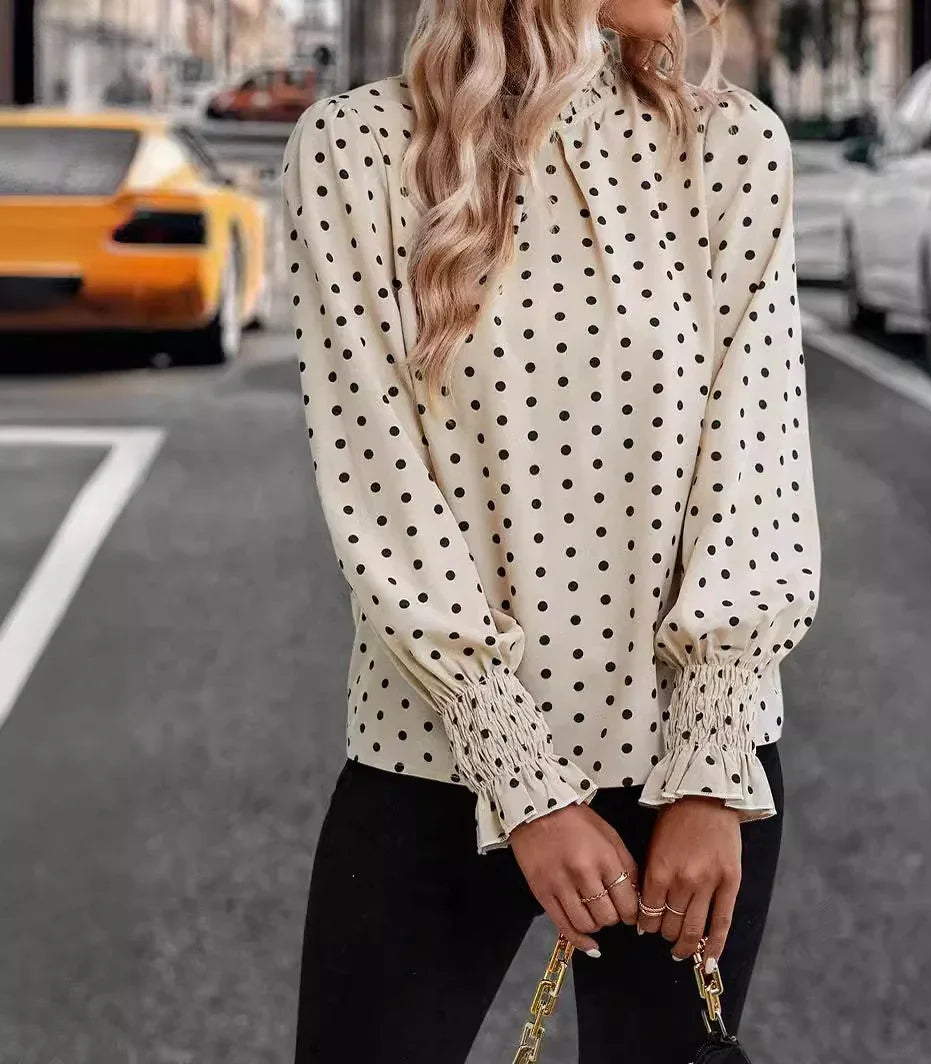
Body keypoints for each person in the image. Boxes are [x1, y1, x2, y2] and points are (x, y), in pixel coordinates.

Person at [281, 0, 821, 1059]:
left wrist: (710, 772)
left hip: (685, 779)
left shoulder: (730, 145)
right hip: (437, 756)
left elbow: (758, 470)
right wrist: (527, 790)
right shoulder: (354, 148)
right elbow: (379, 489)